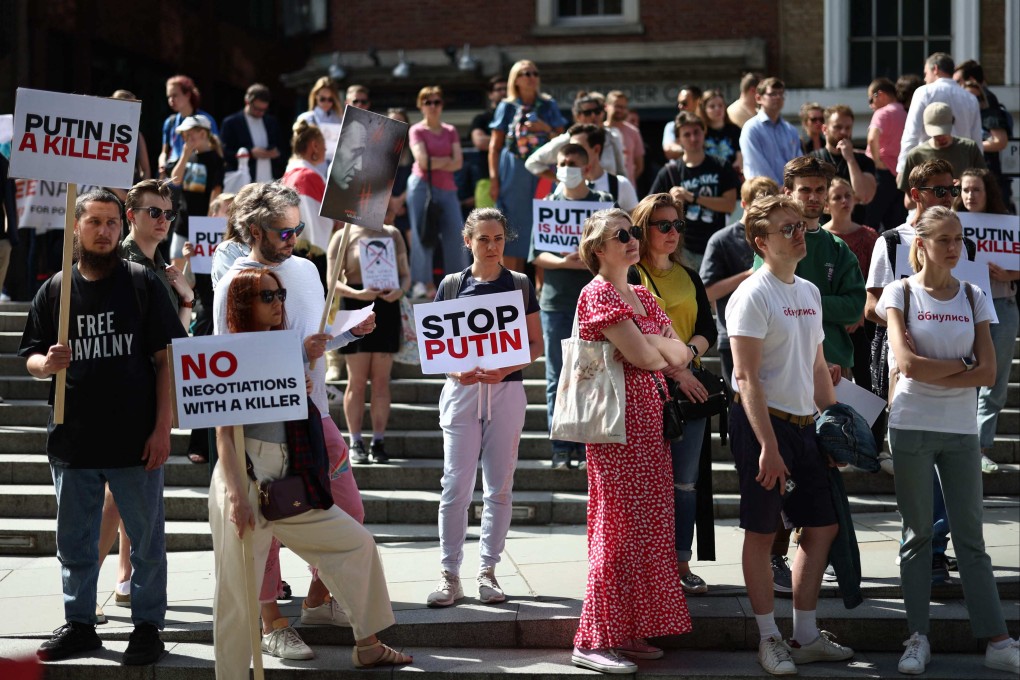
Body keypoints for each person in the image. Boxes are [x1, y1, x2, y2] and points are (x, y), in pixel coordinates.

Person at [210, 267, 411, 676]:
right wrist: (235, 495)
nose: (278, 302)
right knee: (236, 595)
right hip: (244, 475)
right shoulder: (230, 350)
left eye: (280, 294)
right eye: (267, 296)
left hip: (288, 476)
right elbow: (224, 435)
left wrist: (297, 384)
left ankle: (367, 643)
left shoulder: (285, 347)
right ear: (244, 303)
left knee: (357, 544)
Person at [19, 189, 186, 665]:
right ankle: (80, 625)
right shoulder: (55, 289)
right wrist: (45, 364)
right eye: (94, 221)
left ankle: (148, 628)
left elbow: (165, 360)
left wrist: (162, 429)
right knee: (74, 543)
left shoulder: (141, 283)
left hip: (135, 440)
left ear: (122, 225)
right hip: (73, 439)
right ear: (77, 226)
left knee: (147, 543)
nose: (104, 230)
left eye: (112, 222)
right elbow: (29, 355)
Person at [213, 183, 373, 656]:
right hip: (261, 426)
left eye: (298, 228)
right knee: (265, 525)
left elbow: (313, 341)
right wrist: (292, 360)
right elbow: (230, 363)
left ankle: (320, 598)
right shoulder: (236, 282)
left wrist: (346, 332)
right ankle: (272, 622)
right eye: (285, 231)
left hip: (314, 413)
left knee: (348, 510)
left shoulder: (304, 269)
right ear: (254, 230)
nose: (294, 238)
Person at [875, 206, 1018, 676]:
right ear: (922, 244)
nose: (955, 248)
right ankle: (917, 636)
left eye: (959, 239)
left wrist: (948, 369)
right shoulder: (899, 291)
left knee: (971, 539)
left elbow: (991, 372)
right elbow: (907, 365)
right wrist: (963, 366)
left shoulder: (975, 294)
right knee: (917, 535)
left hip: (960, 430)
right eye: (945, 240)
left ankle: (998, 640)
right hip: (912, 423)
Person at [727, 194, 853, 676]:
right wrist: (768, 447)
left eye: (800, 225)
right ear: (761, 241)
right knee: (762, 532)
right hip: (764, 425)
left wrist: (836, 426)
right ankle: (768, 638)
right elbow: (746, 378)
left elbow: (819, 366)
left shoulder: (809, 291)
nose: (800, 234)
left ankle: (804, 634)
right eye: (787, 229)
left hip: (805, 427)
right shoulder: (752, 294)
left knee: (821, 527)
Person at [569, 208, 693, 674]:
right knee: (617, 529)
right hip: (615, 426)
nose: (632, 239)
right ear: (598, 247)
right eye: (621, 234)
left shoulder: (641, 292)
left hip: (649, 424)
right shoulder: (596, 292)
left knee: (648, 528)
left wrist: (657, 349)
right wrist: (656, 348)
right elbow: (648, 354)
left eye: (633, 232)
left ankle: (628, 628)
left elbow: (679, 352)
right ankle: (594, 637)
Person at [426, 208, 543, 608]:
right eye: (483, 239)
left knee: (499, 486)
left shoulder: (521, 283)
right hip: (461, 395)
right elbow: (436, 346)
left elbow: (536, 344)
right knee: (455, 484)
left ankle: (487, 571)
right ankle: (449, 573)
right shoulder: (451, 284)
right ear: (468, 241)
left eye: (498, 239)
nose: (492, 247)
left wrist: (506, 367)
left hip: (507, 392)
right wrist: (455, 371)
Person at [699, 177, 797, 594]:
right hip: (732, 338)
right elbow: (708, 291)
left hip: (791, 383)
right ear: (744, 207)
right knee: (747, 415)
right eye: (758, 203)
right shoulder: (723, 241)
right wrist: (750, 272)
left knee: (818, 521)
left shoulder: (800, 279)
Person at [629, 193, 717, 595]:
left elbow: (708, 330)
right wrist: (678, 370)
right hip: (648, 387)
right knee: (648, 484)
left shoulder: (689, 274)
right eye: (663, 225)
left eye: (677, 225)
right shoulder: (630, 277)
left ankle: (681, 564)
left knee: (684, 482)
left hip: (689, 391)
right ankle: (650, 566)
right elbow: (636, 337)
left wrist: (688, 356)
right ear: (642, 229)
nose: (672, 233)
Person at [529, 144, 612, 471]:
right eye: (562, 162)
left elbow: (615, 246)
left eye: (572, 162)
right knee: (557, 377)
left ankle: (588, 445)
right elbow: (537, 254)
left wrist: (587, 263)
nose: (566, 167)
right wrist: (566, 263)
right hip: (556, 303)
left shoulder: (602, 204)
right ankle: (562, 447)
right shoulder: (548, 205)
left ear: (587, 165)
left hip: (598, 303)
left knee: (593, 376)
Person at [755, 157, 865, 379]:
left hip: (836, 366)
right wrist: (824, 304)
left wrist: (802, 301)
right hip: (785, 362)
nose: (813, 197)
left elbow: (854, 306)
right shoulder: (773, 240)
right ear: (788, 193)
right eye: (805, 190)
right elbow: (769, 298)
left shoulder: (838, 247)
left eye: (819, 190)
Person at [329, 221, 411, 464]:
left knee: (381, 380)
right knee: (356, 379)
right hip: (356, 306)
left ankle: (378, 440)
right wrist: (358, 294)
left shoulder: (393, 232)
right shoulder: (342, 235)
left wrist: (400, 290)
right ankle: (355, 440)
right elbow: (331, 280)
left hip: (387, 305)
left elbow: (405, 274)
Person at [954, 168, 1019, 474]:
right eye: (965, 190)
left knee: (994, 379)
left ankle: (979, 448)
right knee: (964, 373)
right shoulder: (952, 224)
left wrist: (1010, 275)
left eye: (976, 190)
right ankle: (962, 443)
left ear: (988, 192)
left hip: (1003, 304)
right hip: (962, 307)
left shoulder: (1007, 224)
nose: (970, 196)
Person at [489, 60, 568, 273]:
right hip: (513, 172)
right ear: (516, 79)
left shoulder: (548, 104)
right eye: (525, 73)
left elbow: (563, 141)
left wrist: (546, 129)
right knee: (513, 226)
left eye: (534, 72)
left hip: (544, 172)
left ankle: (543, 291)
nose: (531, 77)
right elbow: (494, 147)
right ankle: (512, 287)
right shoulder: (506, 106)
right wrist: (494, 179)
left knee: (543, 224)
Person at [649, 112, 739, 271]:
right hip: (683, 247)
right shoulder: (669, 172)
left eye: (697, 132)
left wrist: (693, 197)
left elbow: (730, 204)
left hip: (715, 244)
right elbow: (649, 209)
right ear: (679, 139)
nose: (693, 138)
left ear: (704, 132)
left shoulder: (721, 166)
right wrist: (671, 201)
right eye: (687, 134)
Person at [407, 85, 468, 296]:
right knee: (422, 234)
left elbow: (458, 163)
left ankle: (458, 283)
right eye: (428, 102)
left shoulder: (450, 130)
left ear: (441, 105)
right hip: (422, 187)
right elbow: (422, 162)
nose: (433, 106)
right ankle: (423, 283)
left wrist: (436, 161)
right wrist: (446, 160)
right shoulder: (416, 130)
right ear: (420, 106)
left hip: (448, 189)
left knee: (457, 234)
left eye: (436, 102)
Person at [822, 177, 878, 392]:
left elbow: (877, 280)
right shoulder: (821, 238)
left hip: (863, 325)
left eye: (848, 195)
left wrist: (859, 314)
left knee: (869, 386)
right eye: (837, 197)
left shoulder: (869, 236)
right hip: (831, 325)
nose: (844, 200)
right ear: (826, 204)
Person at [896, 52, 982, 178]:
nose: (925, 79)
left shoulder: (923, 93)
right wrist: (978, 173)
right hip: (962, 169)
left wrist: (903, 168)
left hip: (929, 167)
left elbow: (911, 134)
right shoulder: (970, 98)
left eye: (926, 73)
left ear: (935, 69)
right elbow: (977, 140)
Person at [898, 103, 986, 208]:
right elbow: (909, 201)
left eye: (944, 131)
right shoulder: (915, 154)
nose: (940, 137)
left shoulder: (969, 148)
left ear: (952, 122)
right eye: (935, 133)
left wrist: (963, 186)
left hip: (964, 212)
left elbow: (985, 182)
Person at [524, 98, 627, 184]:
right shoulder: (569, 139)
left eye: (597, 111)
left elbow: (621, 172)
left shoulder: (612, 136)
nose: (593, 116)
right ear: (578, 117)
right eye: (587, 113)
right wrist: (562, 180)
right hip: (576, 200)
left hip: (609, 200)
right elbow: (532, 162)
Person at [810, 105, 877, 224]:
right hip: (823, 229)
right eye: (838, 127)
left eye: (848, 128)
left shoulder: (863, 161)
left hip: (858, 227)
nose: (844, 132)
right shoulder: (812, 160)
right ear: (825, 129)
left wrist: (850, 159)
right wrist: (852, 198)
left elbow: (864, 196)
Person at [281, 121, 335, 252]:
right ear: (315, 146)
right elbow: (315, 226)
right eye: (324, 145)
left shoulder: (289, 174)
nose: (326, 150)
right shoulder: (307, 177)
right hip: (309, 254)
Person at [864, 77, 908, 232]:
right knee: (895, 226)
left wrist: (876, 161)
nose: (871, 106)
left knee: (870, 223)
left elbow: (872, 137)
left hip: (881, 174)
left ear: (880, 94)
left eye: (871, 99)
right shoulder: (905, 113)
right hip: (900, 177)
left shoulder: (883, 112)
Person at [740, 77, 801, 185]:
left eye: (781, 94)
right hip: (762, 195)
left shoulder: (790, 130)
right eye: (772, 94)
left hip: (789, 194)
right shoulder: (751, 128)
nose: (778, 97)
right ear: (758, 98)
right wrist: (778, 188)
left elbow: (798, 163)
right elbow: (756, 165)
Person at [221, 83, 285, 183]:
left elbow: (283, 149)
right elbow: (225, 154)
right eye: (257, 109)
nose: (261, 113)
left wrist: (275, 153)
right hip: (244, 183)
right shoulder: (231, 123)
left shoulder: (271, 122)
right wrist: (250, 153)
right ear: (247, 102)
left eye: (264, 110)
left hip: (270, 181)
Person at [160, 75, 219, 178]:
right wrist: (162, 164)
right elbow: (164, 152)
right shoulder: (170, 122)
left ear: (187, 94)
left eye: (175, 95)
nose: (171, 100)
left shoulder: (206, 120)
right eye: (169, 96)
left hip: (197, 174)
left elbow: (215, 149)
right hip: (173, 175)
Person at [698, 89, 743, 174]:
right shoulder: (700, 131)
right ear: (704, 109)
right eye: (712, 106)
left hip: (731, 176)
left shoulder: (735, 130)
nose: (717, 109)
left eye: (720, 105)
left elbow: (740, 159)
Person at [604, 90, 644, 184]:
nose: (620, 110)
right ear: (606, 106)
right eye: (617, 106)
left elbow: (639, 166)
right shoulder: (598, 131)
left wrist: (626, 183)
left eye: (623, 107)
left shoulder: (633, 132)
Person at [662, 84, 704, 161]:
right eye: (686, 135)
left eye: (684, 103)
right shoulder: (671, 126)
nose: (680, 107)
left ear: (698, 102)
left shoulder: (709, 124)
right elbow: (669, 150)